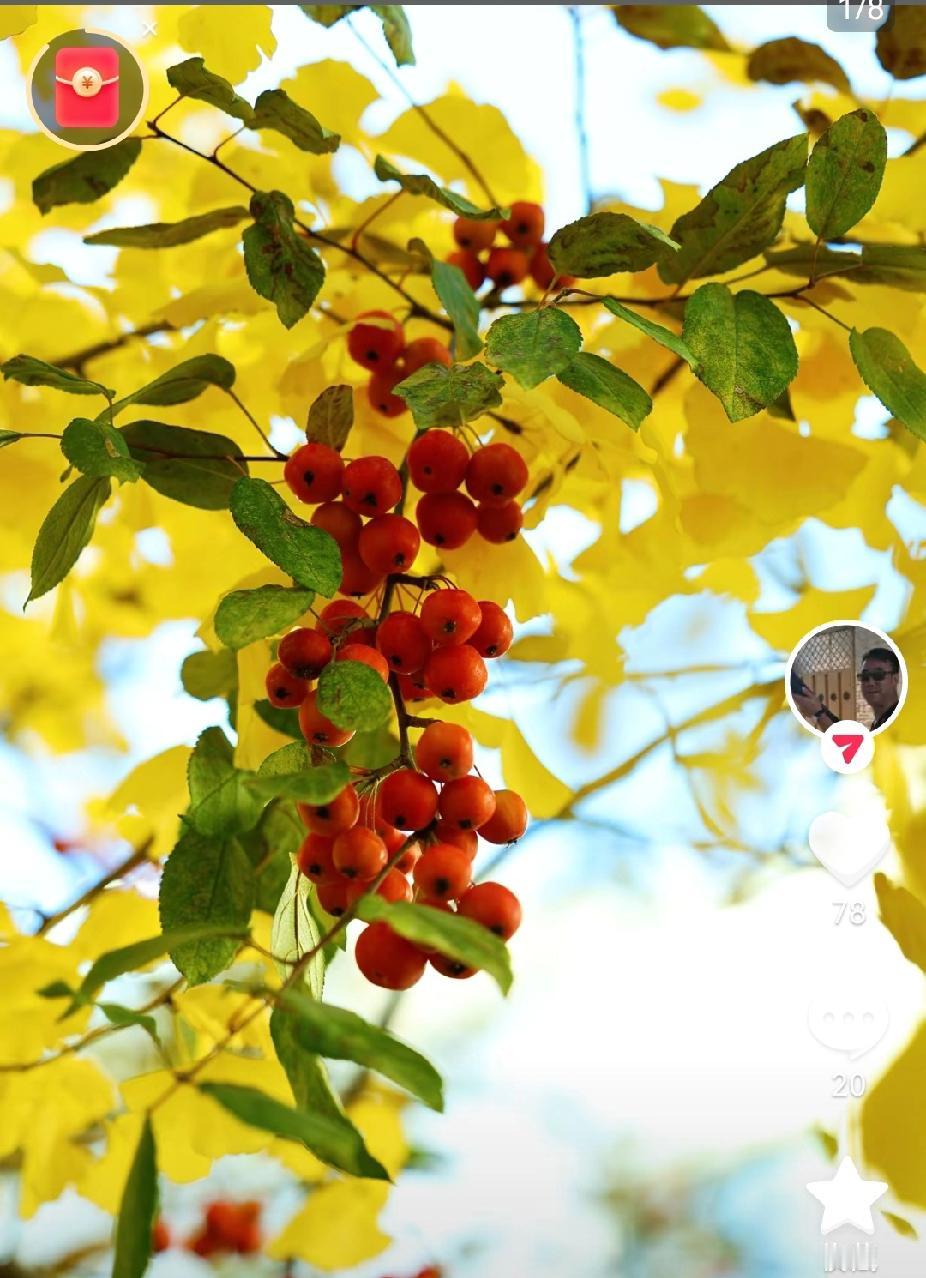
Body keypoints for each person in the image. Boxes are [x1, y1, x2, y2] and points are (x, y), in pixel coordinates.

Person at [858, 645, 901, 730]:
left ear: (895, 679)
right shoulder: (880, 722)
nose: (870, 683)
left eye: (878, 675)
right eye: (865, 676)